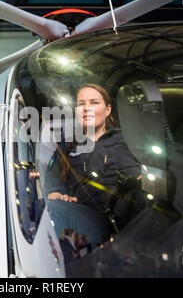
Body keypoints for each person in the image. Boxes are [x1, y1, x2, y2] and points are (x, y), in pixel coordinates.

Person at [47, 83, 142, 230]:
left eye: (94, 102)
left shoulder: (129, 139)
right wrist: (58, 195)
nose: (86, 108)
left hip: (132, 220)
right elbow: (53, 181)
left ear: (108, 109)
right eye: (81, 104)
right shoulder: (66, 146)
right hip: (85, 222)